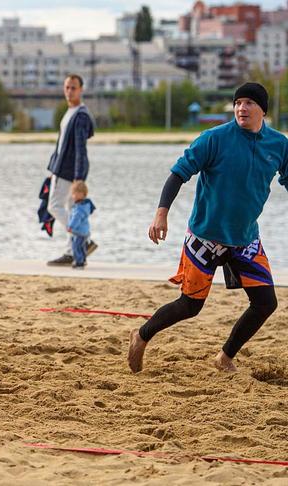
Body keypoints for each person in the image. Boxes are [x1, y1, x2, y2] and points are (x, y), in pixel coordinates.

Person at [128, 82, 288, 374]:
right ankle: (141, 335)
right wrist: (161, 214)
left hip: (245, 239)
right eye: (238, 102)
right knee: (190, 305)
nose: (241, 108)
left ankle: (225, 357)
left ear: (263, 109)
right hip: (205, 238)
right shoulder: (214, 138)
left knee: (266, 303)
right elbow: (178, 174)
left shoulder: (279, 144)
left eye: (249, 103)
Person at [46, 73, 97, 266]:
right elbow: (61, 145)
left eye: (73, 87)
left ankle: (83, 240)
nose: (69, 91)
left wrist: (78, 177)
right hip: (61, 168)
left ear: (81, 90)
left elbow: (80, 149)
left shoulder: (80, 116)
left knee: (54, 206)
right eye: (67, 87)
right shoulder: (70, 112)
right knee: (68, 209)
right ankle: (71, 251)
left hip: (69, 171)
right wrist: (52, 167)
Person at [67, 181, 96, 268]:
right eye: (73, 194)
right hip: (83, 231)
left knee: (76, 247)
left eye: (76, 194)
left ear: (83, 194)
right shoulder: (84, 204)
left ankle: (79, 262)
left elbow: (76, 218)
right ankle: (82, 260)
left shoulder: (80, 208)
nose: (74, 196)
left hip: (79, 231)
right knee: (81, 247)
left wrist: (71, 227)